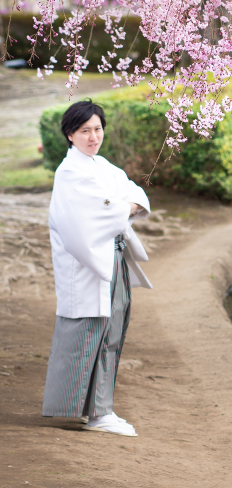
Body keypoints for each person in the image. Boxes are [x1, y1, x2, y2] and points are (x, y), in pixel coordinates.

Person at [42, 99, 152, 437]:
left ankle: (101, 409)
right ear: (70, 135)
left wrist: (123, 205)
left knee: (113, 330)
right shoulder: (71, 172)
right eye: (85, 130)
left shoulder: (101, 165)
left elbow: (134, 193)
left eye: (98, 129)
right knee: (90, 333)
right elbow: (102, 212)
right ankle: (94, 412)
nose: (93, 136)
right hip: (88, 264)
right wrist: (123, 207)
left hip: (112, 256)